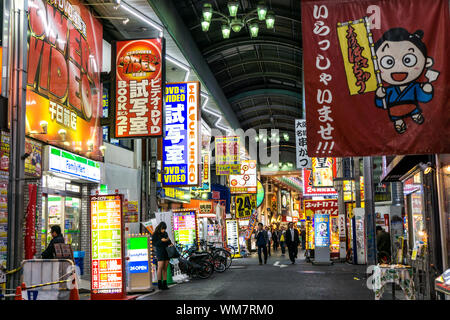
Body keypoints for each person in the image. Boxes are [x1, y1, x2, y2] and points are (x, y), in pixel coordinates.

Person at [374, 28, 437, 134]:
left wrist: (427, 90)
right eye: (388, 62)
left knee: (415, 113)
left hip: (412, 108)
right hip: (395, 112)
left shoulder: (414, 86)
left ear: (426, 62)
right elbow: (381, 104)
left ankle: (415, 115)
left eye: (408, 60)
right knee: (397, 119)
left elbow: (424, 98)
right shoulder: (389, 90)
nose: (399, 68)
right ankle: (399, 122)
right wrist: (380, 96)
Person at [152, 222, 174, 290]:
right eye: (162, 229)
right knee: (160, 267)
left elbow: (169, 241)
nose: (163, 230)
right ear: (160, 227)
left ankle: (165, 284)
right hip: (160, 251)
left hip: (166, 251)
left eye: (164, 229)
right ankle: (159, 284)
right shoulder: (155, 234)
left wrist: (168, 242)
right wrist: (161, 241)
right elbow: (154, 243)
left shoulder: (165, 233)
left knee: (165, 268)